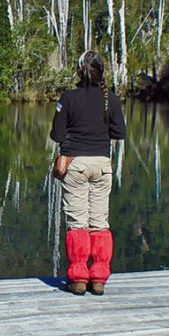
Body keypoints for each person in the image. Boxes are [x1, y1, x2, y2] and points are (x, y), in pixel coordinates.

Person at [50, 50, 126, 295]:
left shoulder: (68, 98)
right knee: (99, 223)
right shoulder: (110, 99)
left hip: (76, 165)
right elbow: (119, 133)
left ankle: (79, 277)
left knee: (77, 223)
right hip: (102, 165)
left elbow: (57, 135)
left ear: (79, 71)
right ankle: (99, 278)